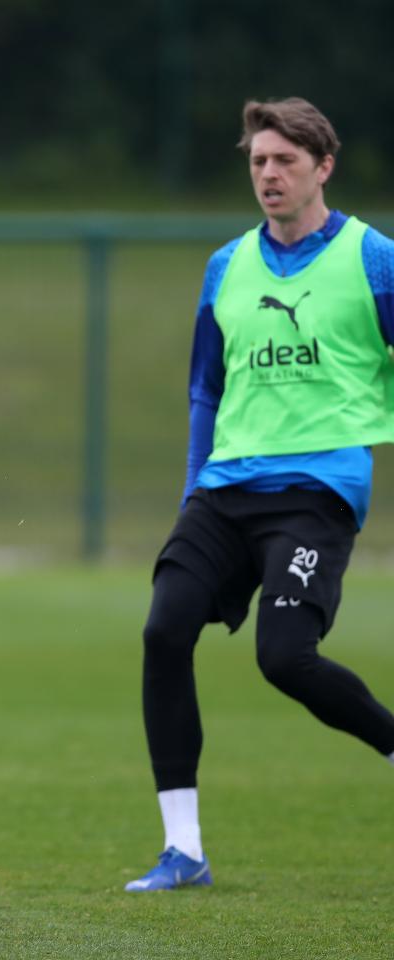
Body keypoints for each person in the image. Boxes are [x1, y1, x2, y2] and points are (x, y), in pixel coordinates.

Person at [126, 97, 394, 892]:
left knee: (284, 658)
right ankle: (184, 851)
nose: (268, 175)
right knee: (163, 631)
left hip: (316, 488)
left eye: (284, 160)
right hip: (224, 489)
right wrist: (189, 491)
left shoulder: (372, 258)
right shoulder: (227, 266)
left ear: (324, 166)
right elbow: (205, 391)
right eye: (257, 162)